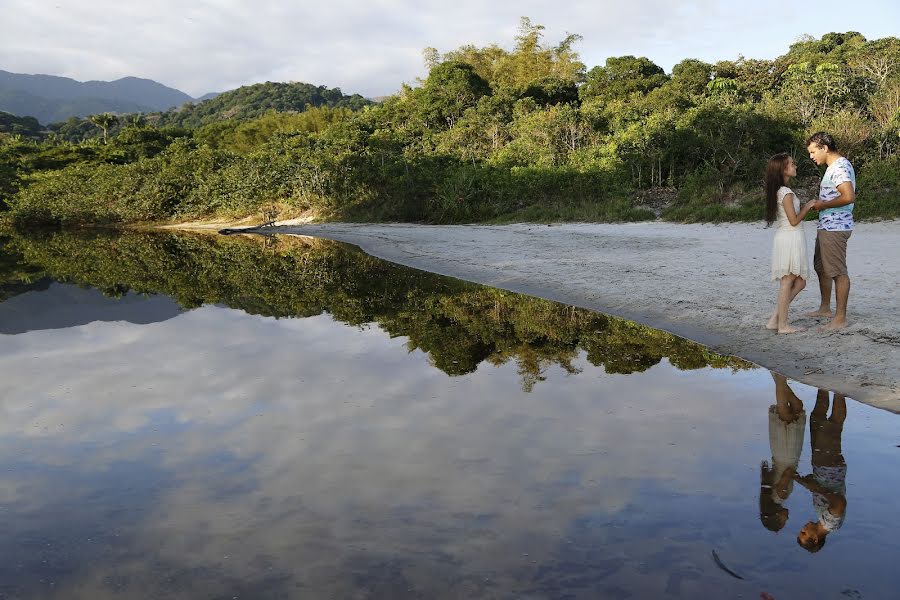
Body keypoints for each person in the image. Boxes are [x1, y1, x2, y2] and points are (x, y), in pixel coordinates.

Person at [805, 132, 856, 331]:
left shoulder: (841, 167)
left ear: (824, 148)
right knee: (821, 267)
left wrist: (822, 205)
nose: (811, 156)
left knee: (837, 272)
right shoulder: (832, 168)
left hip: (836, 227)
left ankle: (840, 318)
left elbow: (848, 196)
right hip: (826, 225)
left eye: (812, 152)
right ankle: (825, 308)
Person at [764, 153, 815, 334]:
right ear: (783, 169)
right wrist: (807, 207)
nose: (795, 166)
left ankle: (775, 319)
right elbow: (794, 220)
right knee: (788, 280)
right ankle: (783, 325)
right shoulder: (785, 192)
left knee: (800, 281)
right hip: (790, 236)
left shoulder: (781, 190)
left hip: (789, 236)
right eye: (792, 164)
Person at [794, 389, 847, 553]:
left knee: (816, 419)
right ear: (815, 538)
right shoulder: (830, 524)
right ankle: (840, 387)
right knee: (832, 426)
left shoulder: (822, 519)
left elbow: (817, 488)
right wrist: (814, 488)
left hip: (822, 467)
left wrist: (799, 479)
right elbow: (839, 504)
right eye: (804, 532)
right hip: (830, 468)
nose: (803, 528)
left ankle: (823, 384)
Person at [759, 372, 806, 532]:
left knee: (786, 413)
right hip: (779, 454)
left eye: (784, 522)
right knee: (796, 407)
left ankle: (779, 377)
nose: (788, 519)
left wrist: (802, 480)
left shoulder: (781, 496)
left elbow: (788, 472)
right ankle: (778, 377)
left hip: (788, 455)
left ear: (777, 517)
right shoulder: (768, 494)